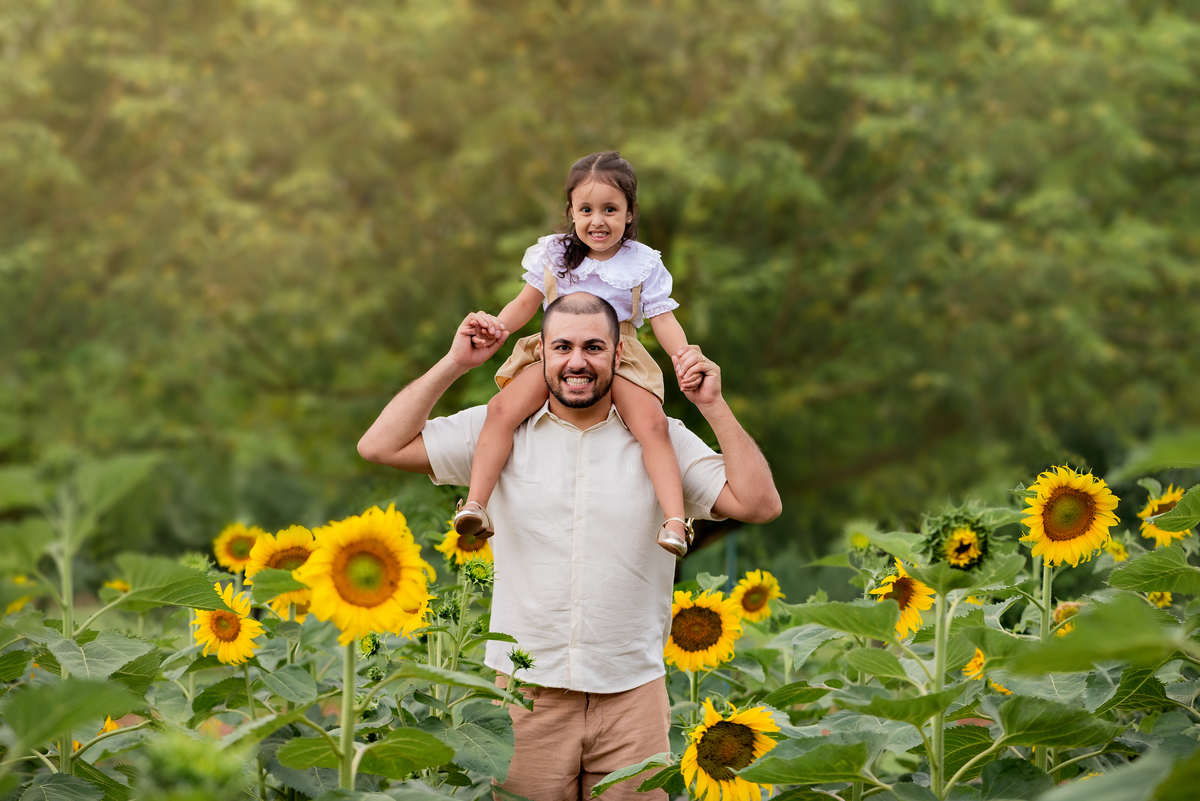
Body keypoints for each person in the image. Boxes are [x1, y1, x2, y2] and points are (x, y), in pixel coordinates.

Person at [357, 292, 782, 800]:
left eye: (593, 347)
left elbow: (760, 504)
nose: (577, 361)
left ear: (618, 353)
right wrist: (456, 363)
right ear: (541, 352)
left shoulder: (662, 440)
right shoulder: (495, 432)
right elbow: (378, 445)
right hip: (526, 697)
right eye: (562, 347)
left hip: (632, 701)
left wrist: (712, 405)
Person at [453, 150, 699, 556]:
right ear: (571, 211)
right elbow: (526, 303)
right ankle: (476, 503)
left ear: (630, 213)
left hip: (618, 355)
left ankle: (674, 521)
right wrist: (497, 326)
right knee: (500, 410)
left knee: (653, 425)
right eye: (586, 210)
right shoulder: (553, 254)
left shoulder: (642, 263)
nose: (597, 220)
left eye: (610, 209)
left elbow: (663, 319)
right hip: (557, 351)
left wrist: (684, 356)